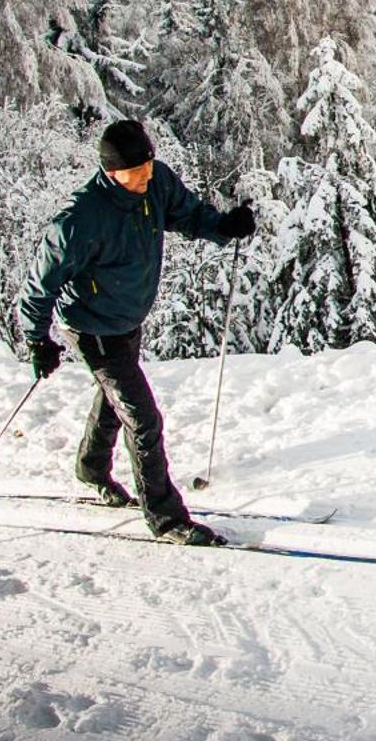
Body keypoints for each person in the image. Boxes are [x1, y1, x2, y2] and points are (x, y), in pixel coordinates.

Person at [17, 119, 256, 545]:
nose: (148, 175)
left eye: (149, 164)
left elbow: (187, 214)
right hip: (92, 329)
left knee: (116, 401)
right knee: (143, 419)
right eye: (138, 171)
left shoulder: (155, 181)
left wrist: (223, 226)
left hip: (128, 318)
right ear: (112, 172)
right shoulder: (78, 221)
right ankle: (166, 519)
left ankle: (91, 467)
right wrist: (38, 339)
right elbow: (39, 288)